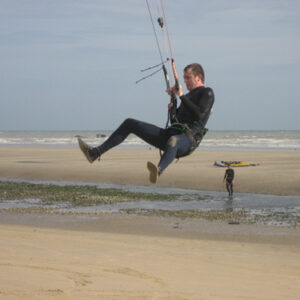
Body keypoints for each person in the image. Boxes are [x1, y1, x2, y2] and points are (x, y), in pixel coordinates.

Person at [78, 63, 215, 183]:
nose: (185, 81)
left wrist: (181, 96)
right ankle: (95, 153)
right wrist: (173, 107)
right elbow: (175, 122)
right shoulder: (187, 96)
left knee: (174, 140)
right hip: (170, 135)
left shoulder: (207, 92)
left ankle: (158, 170)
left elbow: (199, 114)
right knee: (130, 123)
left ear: (199, 77)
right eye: (184, 78)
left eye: (188, 78)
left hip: (187, 141)